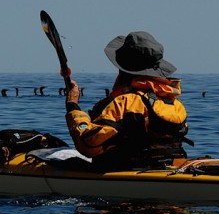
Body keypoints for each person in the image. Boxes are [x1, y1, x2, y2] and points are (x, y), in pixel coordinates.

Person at [65, 30, 191, 171]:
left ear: (123, 71)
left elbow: (88, 145)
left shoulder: (126, 102)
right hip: (168, 169)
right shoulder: (175, 103)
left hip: (127, 173)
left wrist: (73, 106)